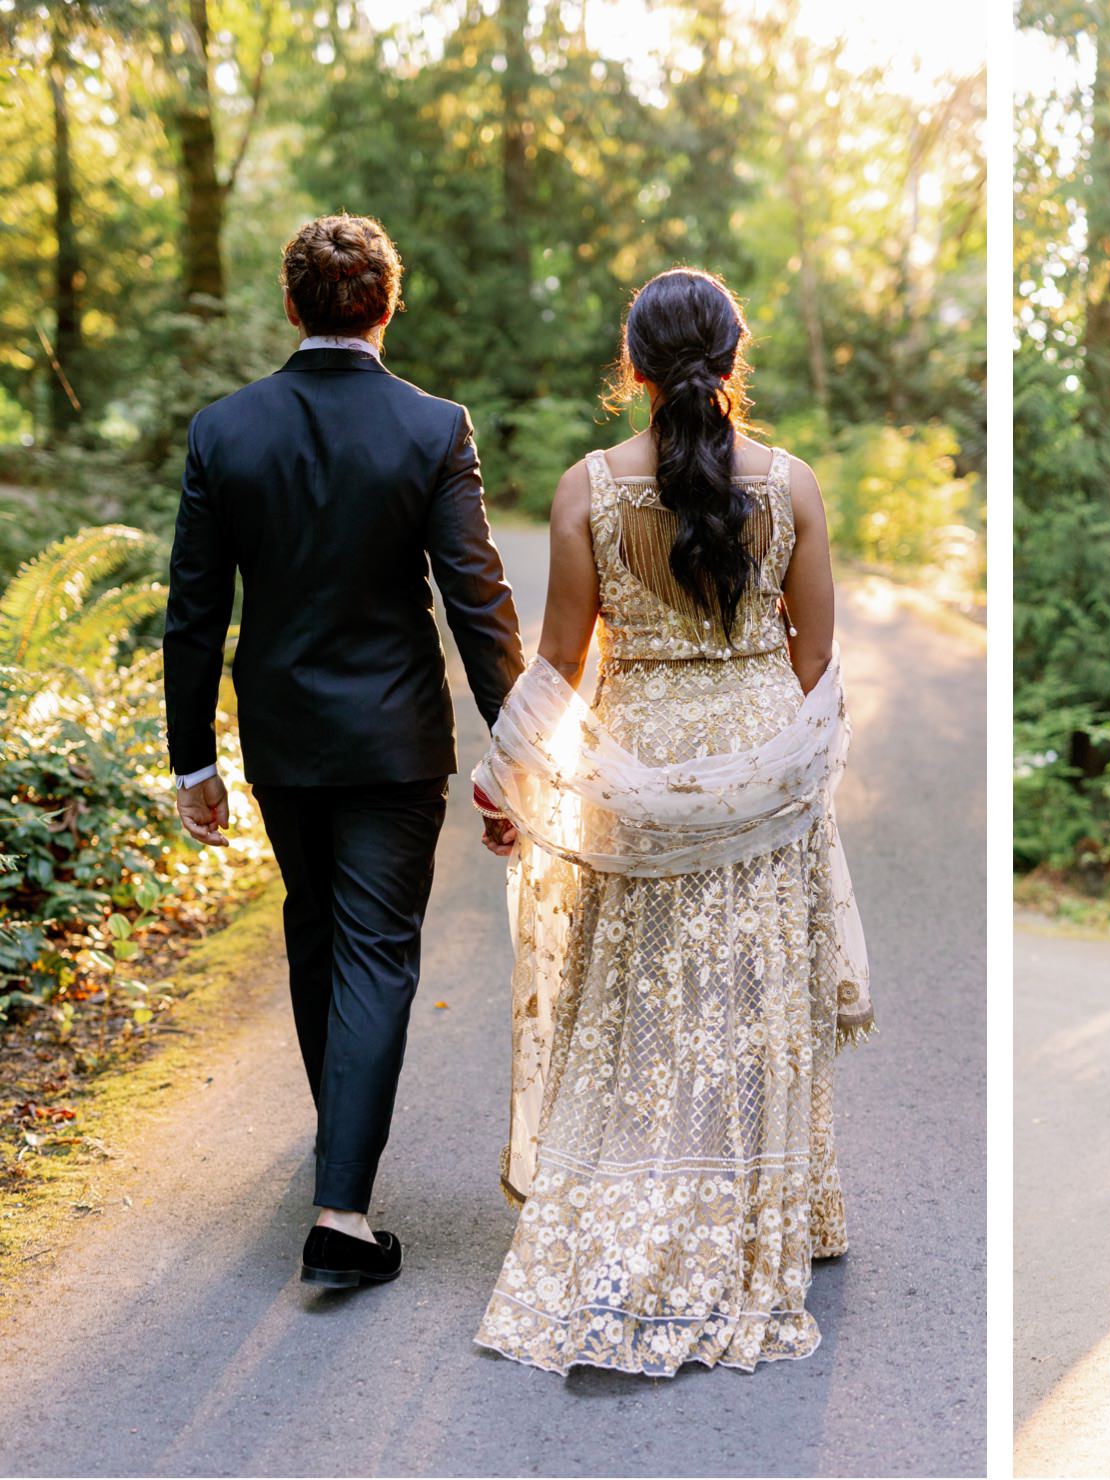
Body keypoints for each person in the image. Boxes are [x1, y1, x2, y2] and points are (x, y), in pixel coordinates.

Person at [467, 268, 873, 1377]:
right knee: (750, 987)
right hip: (760, 752)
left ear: (633, 365)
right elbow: (817, 650)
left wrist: (508, 774)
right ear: (734, 357)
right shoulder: (789, 484)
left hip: (638, 744)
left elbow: (558, 661)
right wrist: (765, 742)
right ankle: (759, 1198)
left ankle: (630, 1183)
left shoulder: (586, 488)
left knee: (643, 988)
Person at [164, 213, 524, 1289]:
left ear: (291, 306)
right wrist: (520, 742)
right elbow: (478, 601)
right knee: (372, 951)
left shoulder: (224, 430)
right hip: (394, 737)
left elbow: (192, 612)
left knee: (318, 934)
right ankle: (342, 1210)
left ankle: (340, 1154)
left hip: (280, 735)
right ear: (386, 303)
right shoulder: (431, 427)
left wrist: (193, 759)